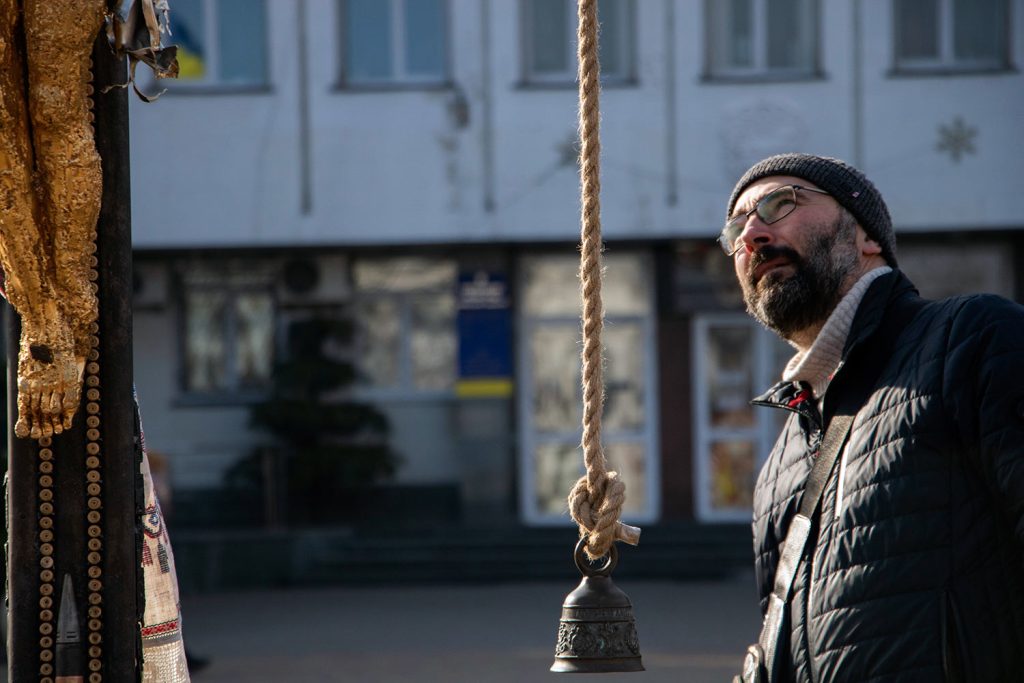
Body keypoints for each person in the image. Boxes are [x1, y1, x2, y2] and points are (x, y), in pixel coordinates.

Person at [722, 153, 1024, 682]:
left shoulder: (973, 339)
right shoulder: (782, 460)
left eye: (778, 204)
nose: (751, 234)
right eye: (737, 226)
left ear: (865, 236)